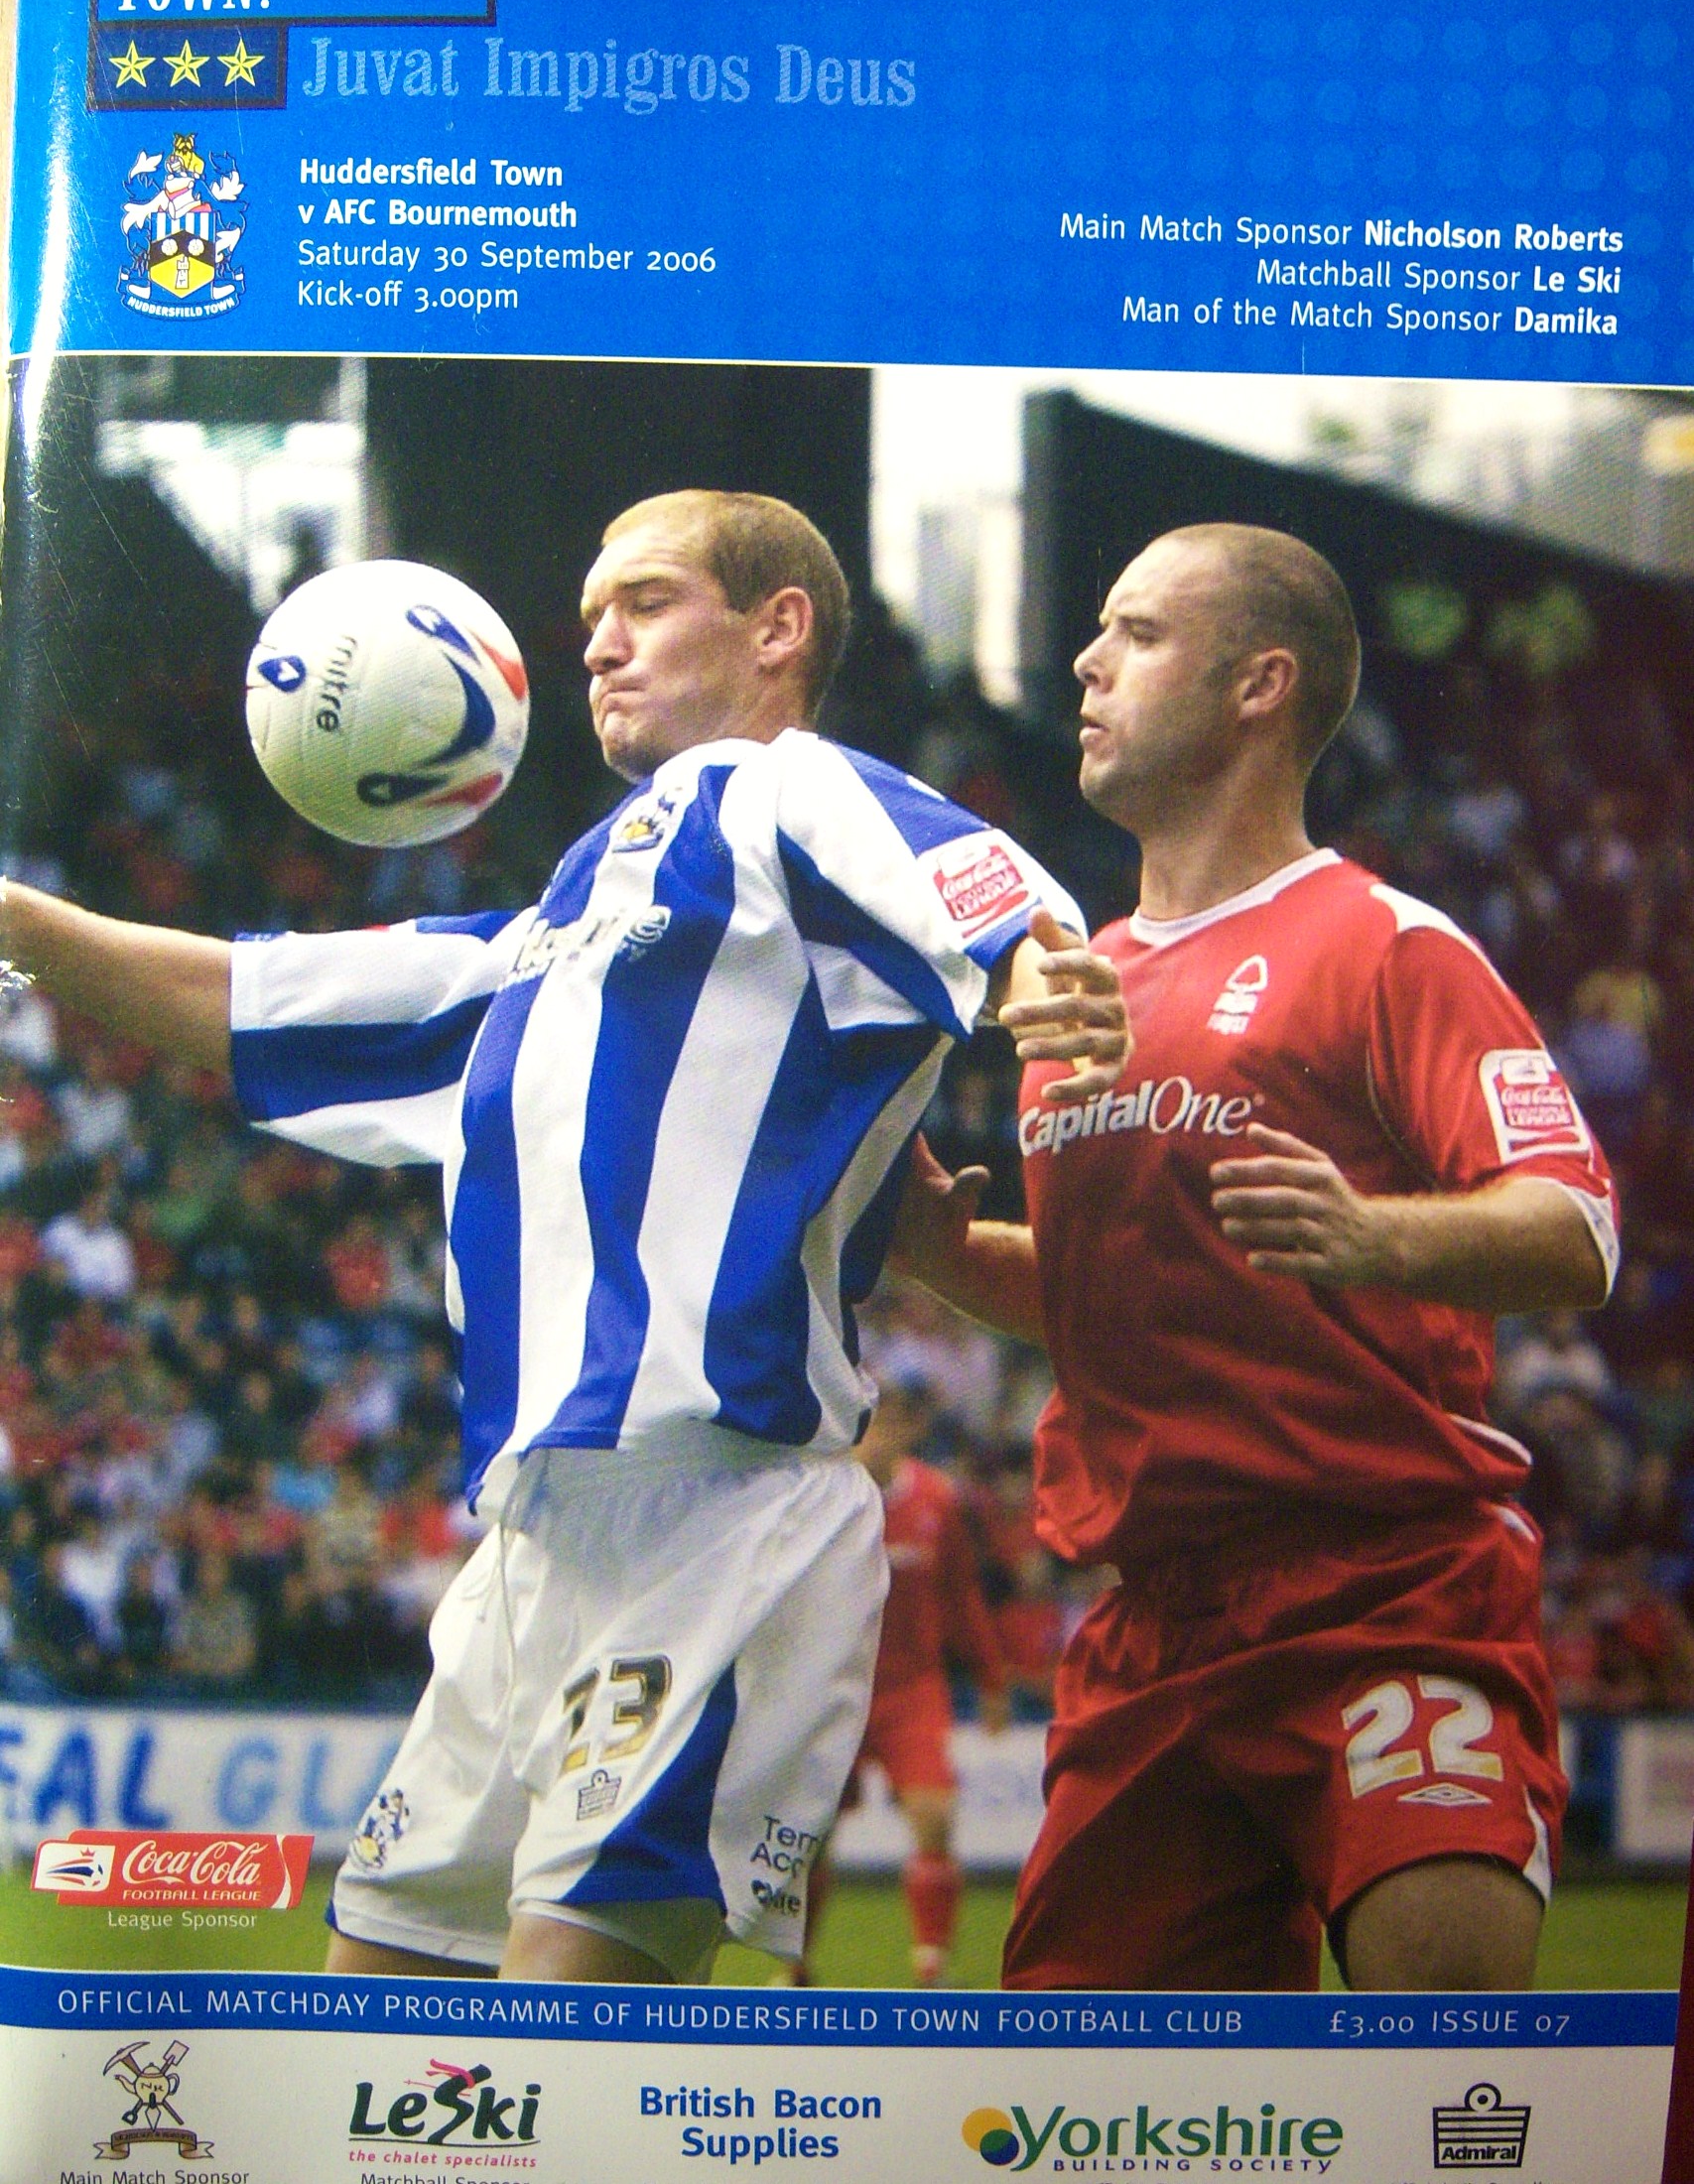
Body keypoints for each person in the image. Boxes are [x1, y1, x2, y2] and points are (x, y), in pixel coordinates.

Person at [0, 488, 1125, 1987]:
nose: (597, 643)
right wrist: (18, 921)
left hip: (722, 1515)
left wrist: (1038, 979)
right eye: (592, 613)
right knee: (373, 2008)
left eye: (646, 602)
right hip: (530, 1541)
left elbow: (983, 894)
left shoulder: (777, 790)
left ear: (778, 628)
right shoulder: (549, 935)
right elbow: (244, 1001)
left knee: (567, 2015)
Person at [893, 522, 1618, 1995]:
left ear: (1258, 684)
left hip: (1384, 1590)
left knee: (1444, 2044)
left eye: (1138, 631)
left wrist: (1372, 1233)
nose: (1086, 662)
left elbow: (1577, 1226)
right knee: (1080, 2098)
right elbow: (1109, 1298)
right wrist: (944, 1255)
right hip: (1148, 1630)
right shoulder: (1076, 983)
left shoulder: (1385, 944)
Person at [796, 1380, 1008, 1987]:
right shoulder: (825, 1495)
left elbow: (961, 1594)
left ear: (913, 1430)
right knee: (810, 1838)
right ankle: (797, 1966)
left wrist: (990, 1677)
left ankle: (930, 1968)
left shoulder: (936, 1499)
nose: (880, 1437)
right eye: (871, 1424)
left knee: (934, 1816)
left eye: (894, 1424)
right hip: (834, 1687)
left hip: (911, 1690)